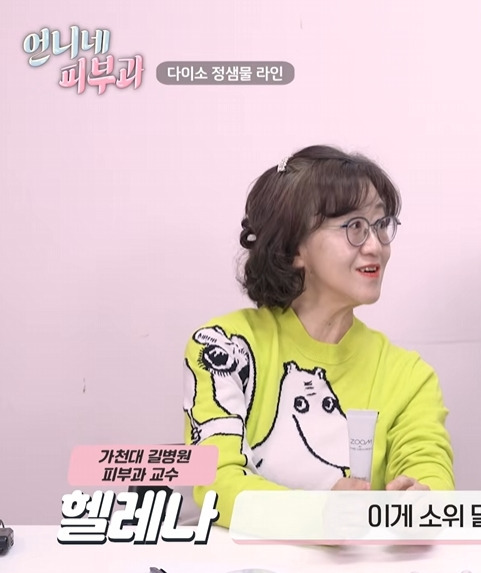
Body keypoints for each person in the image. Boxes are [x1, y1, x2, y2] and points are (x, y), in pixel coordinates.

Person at [182, 145, 455, 528]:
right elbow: (217, 483)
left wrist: (424, 500)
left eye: (380, 224)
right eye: (354, 227)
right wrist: (319, 515)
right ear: (295, 246)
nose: (375, 245)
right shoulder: (226, 348)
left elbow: (429, 469)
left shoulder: (408, 375)